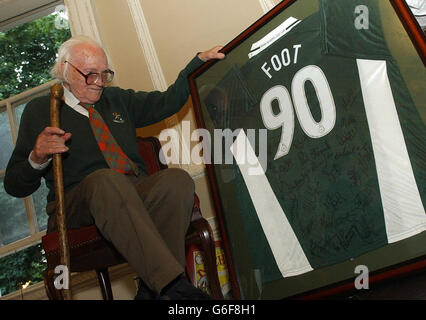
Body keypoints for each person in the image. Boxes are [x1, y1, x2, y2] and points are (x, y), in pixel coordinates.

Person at [4, 35, 225, 300]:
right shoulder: (42, 110)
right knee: (106, 181)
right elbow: (15, 185)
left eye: (105, 74)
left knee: (176, 181)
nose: (99, 82)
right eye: (90, 75)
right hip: (78, 201)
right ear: (65, 69)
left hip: (131, 189)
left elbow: (167, 102)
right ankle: (171, 287)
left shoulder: (116, 99)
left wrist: (196, 63)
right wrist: (37, 157)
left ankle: (150, 290)